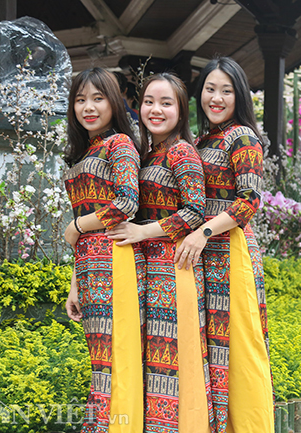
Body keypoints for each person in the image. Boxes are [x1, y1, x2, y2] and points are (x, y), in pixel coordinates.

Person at [106, 72, 213, 433]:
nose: (156, 109)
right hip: (149, 270)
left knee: (176, 362)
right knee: (154, 364)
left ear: (181, 111)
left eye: (166, 103)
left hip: (174, 268)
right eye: (149, 101)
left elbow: (194, 211)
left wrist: (142, 232)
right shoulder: (148, 152)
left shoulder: (181, 151)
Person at [175, 56, 274, 432]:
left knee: (242, 350)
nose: (215, 98)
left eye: (226, 91)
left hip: (230, 252)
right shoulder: (201, 141)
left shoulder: (243, 137)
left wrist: (203, 233)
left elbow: (249, 201)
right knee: (213, 352)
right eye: (209, 89)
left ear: (240, 96)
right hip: (202, 257)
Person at [63, 67, 148, 432]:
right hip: (88, 267)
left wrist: (78, 226)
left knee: (115, 354)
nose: (88, 107)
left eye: (98, 98)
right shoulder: (82, 152)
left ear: (113, 102)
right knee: (100, 356)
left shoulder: (119, 145)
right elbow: (79, 224)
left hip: (116, 259)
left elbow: (127, 203)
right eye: (80, 100)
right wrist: (74, 283)